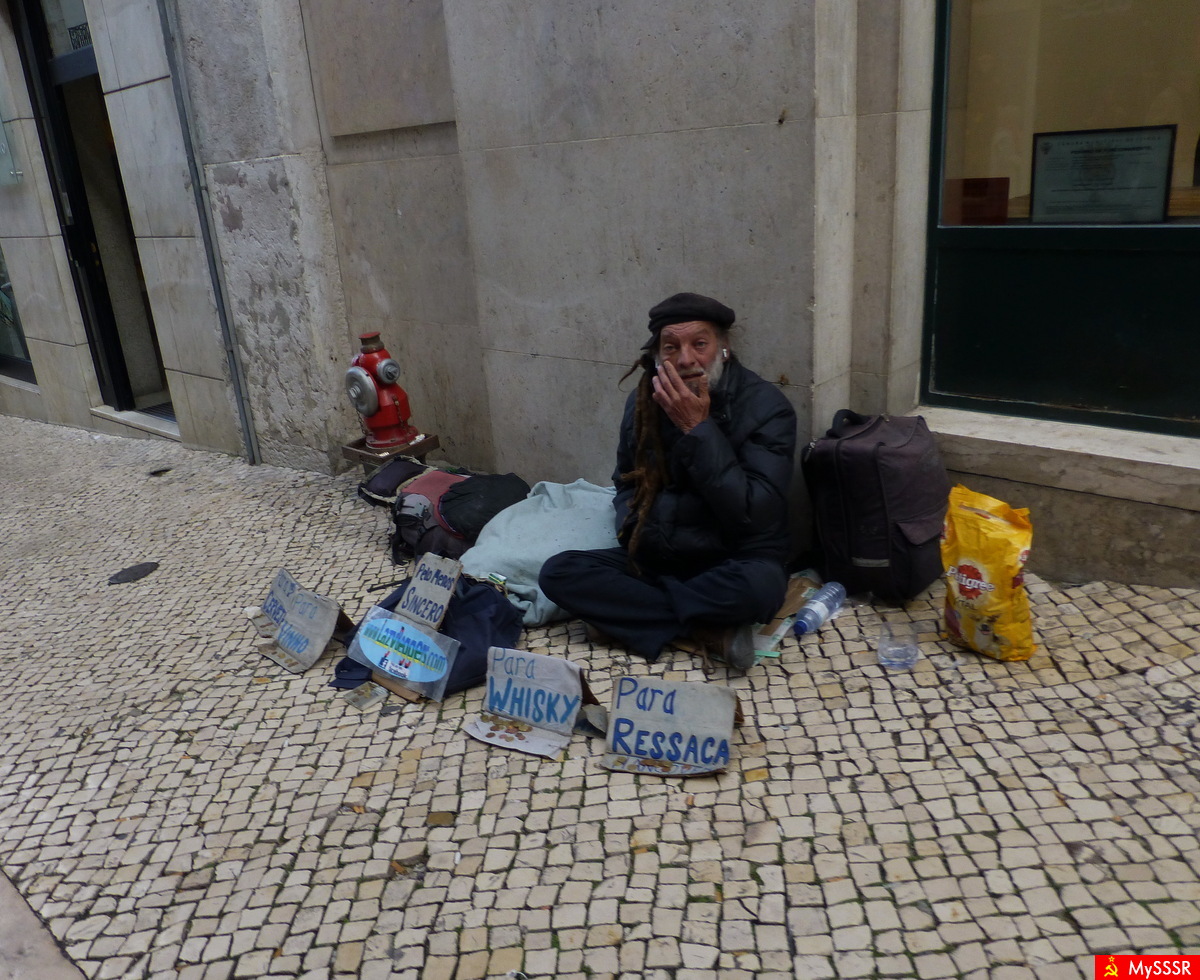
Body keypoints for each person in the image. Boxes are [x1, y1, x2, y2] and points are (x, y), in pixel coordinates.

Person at [539, 292, 797, 670]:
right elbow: (625, 481)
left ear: (724, 348)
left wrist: (698, 430)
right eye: (671, 347)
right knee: (559, 573)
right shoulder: (643, 401)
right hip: (659, 557)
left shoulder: (767, 407)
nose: (686, 359)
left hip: (734, 560)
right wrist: (633, 529)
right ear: (659, 356)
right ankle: (706, 629)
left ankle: (630, 615)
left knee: (757, 591)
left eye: (700, 344)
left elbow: (753, 513)